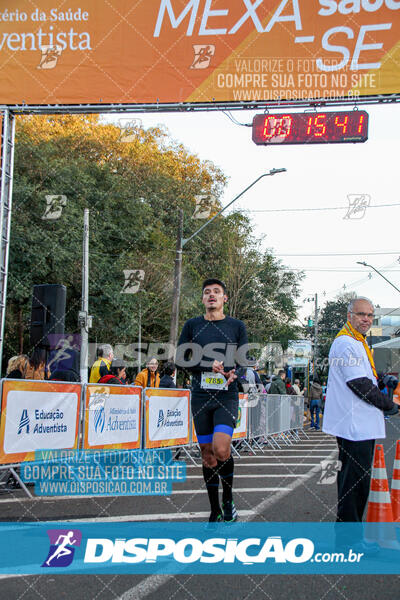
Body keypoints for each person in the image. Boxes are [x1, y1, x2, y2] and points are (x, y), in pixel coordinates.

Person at [322, 297, 400, 546]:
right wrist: (390, 405)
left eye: (370, 315)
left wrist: (384, 381)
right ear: (349, 316)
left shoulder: (357, 342)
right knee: (354, 484)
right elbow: (359, 384)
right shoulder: (346, 343)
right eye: (361, 314)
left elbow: (366, 379)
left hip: (358, 424)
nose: (366, 319)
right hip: (353, 425)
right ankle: (349, 541)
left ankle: (348, 537)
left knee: (354, 482)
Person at [177, 278, 248, 523]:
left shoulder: (236, 326)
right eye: (207, 292)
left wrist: (233, 372)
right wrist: (209, 365)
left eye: (217, 292)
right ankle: (214, 509)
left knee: (221, 448)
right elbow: (180, 359)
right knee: (207, 454)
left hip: (226, 395)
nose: (211, 295)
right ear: (203, 299)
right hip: (200, 395)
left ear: (224, 298)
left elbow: (244, 361)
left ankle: (228, 501)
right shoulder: (192, 325)